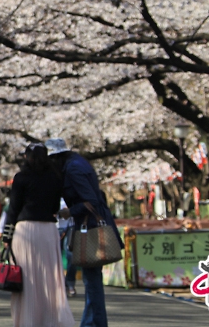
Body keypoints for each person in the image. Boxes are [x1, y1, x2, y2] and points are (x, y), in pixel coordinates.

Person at [47, 138, 121, 327]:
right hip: (93, 224)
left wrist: (69, 211)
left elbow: (90, 201)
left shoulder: (73, 169)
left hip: (91, 227)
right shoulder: (78, 163)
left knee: (92, 278)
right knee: (92, 277)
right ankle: (93, 321)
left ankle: (93, 323)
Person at [4, 143, 75, 327]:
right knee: (50, 277)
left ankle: (28, 320)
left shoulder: (21, 178)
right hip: (48, 231)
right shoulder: (56, 177)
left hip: (25, 230)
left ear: (27, 157)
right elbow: (53, 208)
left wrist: (6, 236)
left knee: (27, 278)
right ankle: (52, 318)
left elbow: (13, 209)